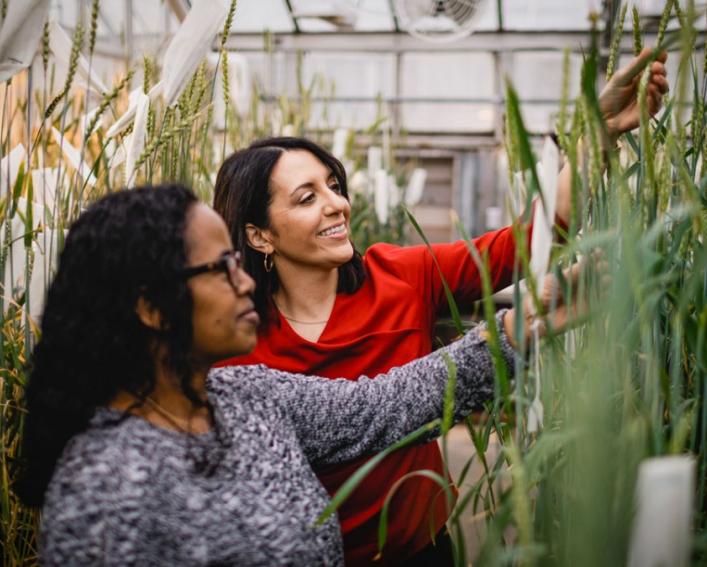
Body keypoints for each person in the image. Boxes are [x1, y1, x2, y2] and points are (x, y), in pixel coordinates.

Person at [212, 48, 668, 565]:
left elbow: (531, 241)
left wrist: (595, 136)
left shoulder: (402, 274)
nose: (337, 204)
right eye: (306, 197)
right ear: (259, 234)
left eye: (333, 186)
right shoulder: (233, 337)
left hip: (421, 550)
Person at [17, 184, 581, 565]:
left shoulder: (245, 396)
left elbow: (382, 405)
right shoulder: (103, 488)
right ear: (151, 308)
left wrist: (514, 332)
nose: (243, 283)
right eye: (221, 268)